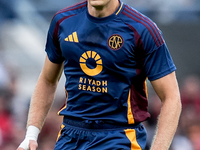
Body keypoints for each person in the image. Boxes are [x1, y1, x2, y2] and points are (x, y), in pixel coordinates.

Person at [17, 0, 182, 149]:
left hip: (119, 138)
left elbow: (171, 97)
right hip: (70, 136)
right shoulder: (63, 21)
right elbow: (47, 80)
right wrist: (31, 135)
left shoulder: (143, 30)